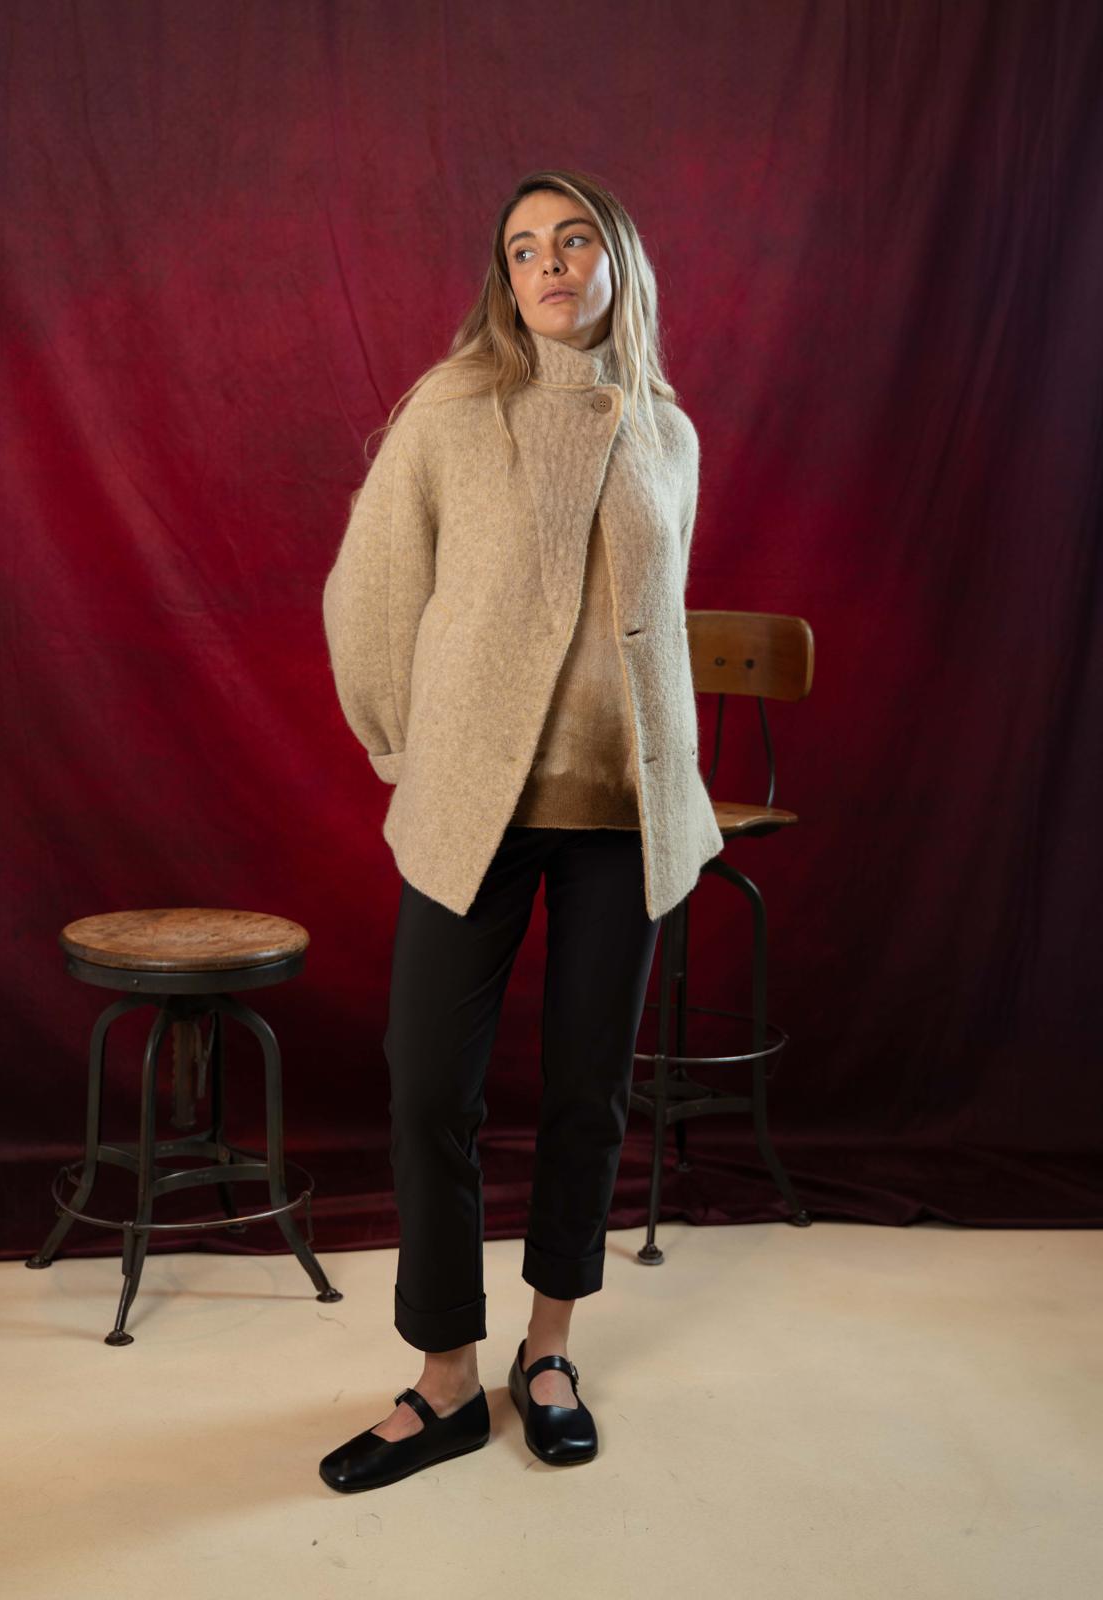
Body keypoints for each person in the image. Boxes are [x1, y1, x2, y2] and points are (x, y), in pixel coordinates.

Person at [318, 168, 723, 1493]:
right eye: (523, 248)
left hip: (622, 811)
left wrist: (674, 779)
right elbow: (371, 592)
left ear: (618, 261)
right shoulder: (450, 408)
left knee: (587, 1094)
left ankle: (549, 1354)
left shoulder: (669, 432)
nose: (548, 263)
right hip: (472, 808)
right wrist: (404, 749)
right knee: (430, 1084)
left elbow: (658, 627)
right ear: (504, 280)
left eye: (573, 239)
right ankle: (444, 1377)